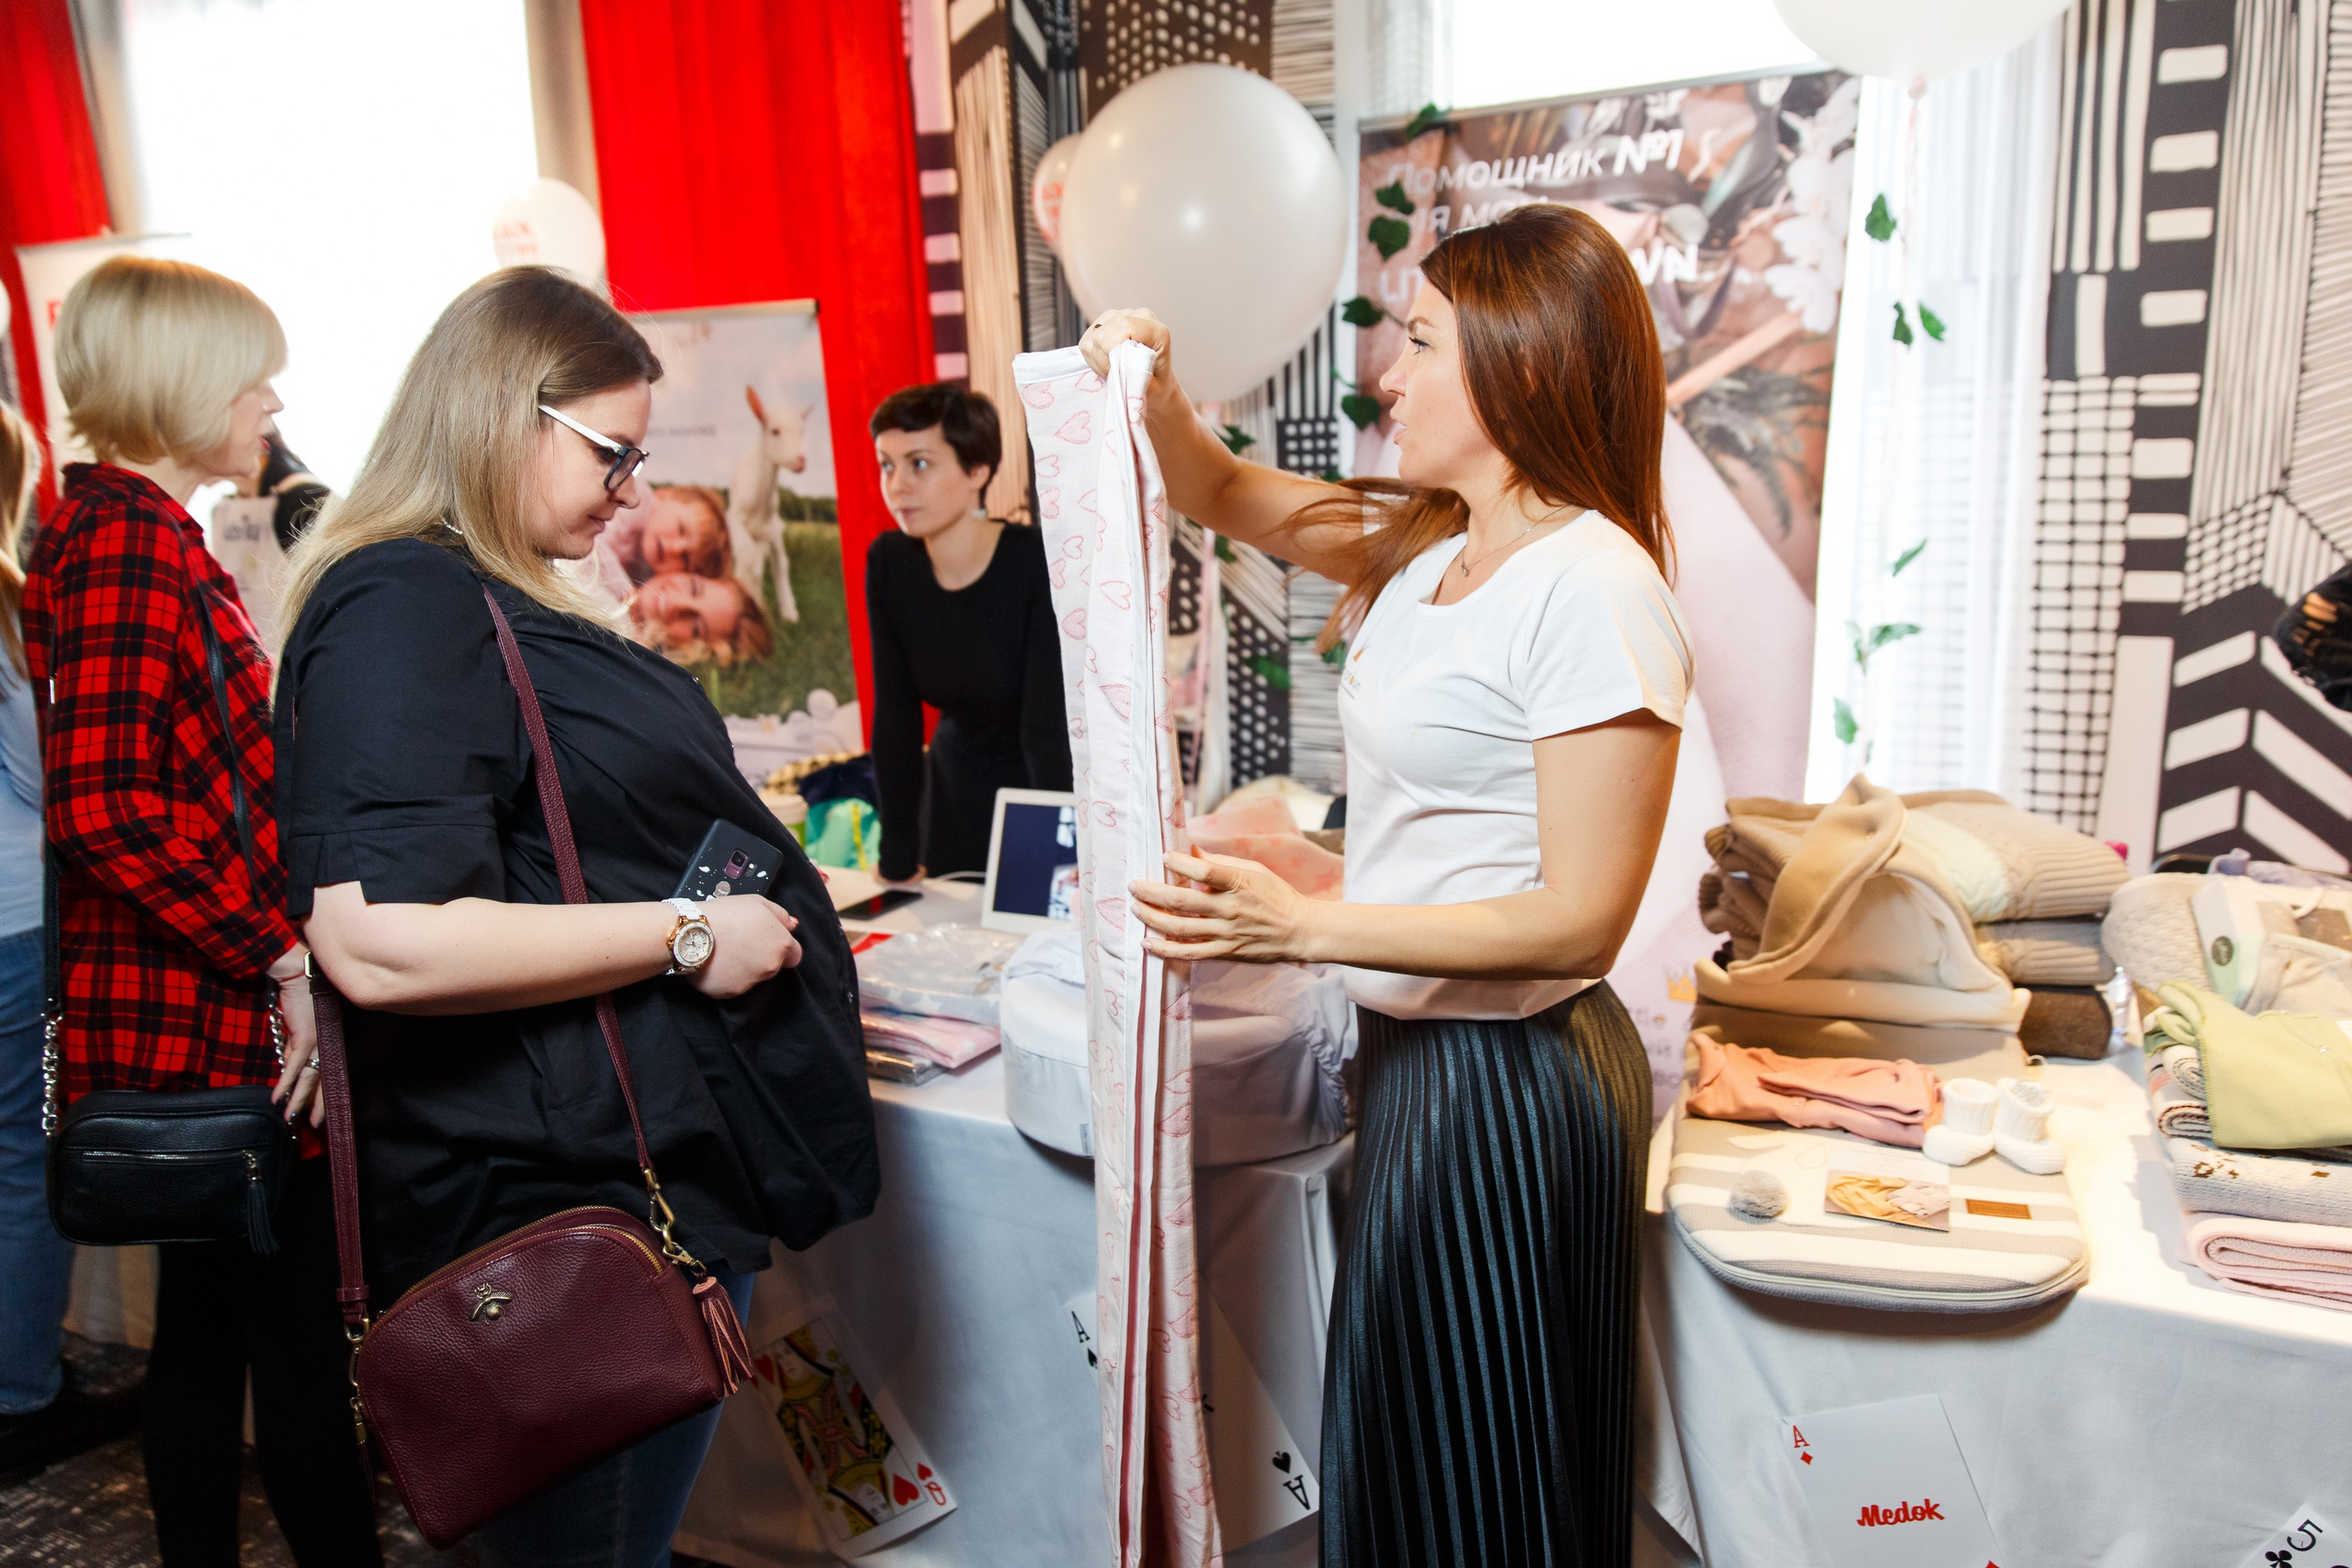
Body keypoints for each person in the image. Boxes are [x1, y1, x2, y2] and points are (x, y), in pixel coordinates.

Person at [1089, 203, 1691, 1568]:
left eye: (1419, 342)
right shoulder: (1429, 544)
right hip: (1423, 1053)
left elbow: (1580, 912)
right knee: (1419, 1445)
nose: (1387, 374)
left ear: (1522, 366)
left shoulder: (1594, 586)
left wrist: (1305, 922)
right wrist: (1160, 387)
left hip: (1517, 1080)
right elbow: (1220, 490)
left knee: (1491, 1460)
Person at [274, 265, 876, 1568]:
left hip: (603, 1176)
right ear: (504, 412)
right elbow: (383, 933)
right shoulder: (406, 598)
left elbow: (413, 865)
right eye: (612, 451)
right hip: (559, 1207)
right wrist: (685, 930)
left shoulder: (480, 591)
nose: (635, 492)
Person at [23, 256, 379, 1564]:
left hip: (193, 1012)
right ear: (179, 387)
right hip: (200, 1021)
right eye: (250, 375)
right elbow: (106, 807)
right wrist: (277, 953)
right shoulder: (126, 540)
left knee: (220, 1332)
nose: (271, 399)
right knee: (278, 1342)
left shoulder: (138, 528)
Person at [0, 399, 127, 1480]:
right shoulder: (5, 598)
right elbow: (51, 780)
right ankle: (21, 1394)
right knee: (24, 1159)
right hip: (13, 927)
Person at [865, 383, 1071, 884]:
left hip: (1037, 784)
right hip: (953, 786)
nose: (897, 486)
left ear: (977, 470)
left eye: (919, 464)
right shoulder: (890, 562)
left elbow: (1047, 731)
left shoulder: (1034, 561)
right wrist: (897, 856)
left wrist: (1061, 862)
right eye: (887, 465)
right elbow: (896, 718)